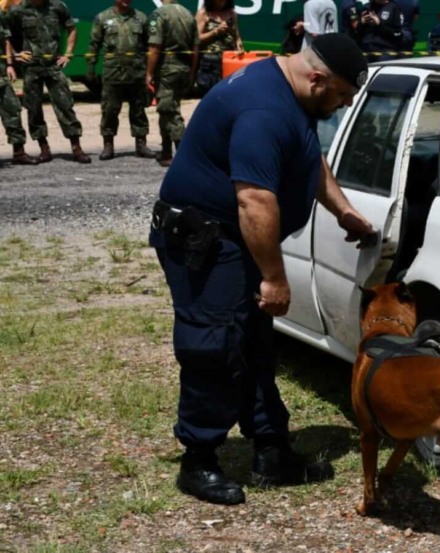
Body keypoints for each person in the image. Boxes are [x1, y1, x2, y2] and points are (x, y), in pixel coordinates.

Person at [149, 33, 375, 506]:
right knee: (213, 345)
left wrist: (343, 211)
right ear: (317, 78)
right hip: (208, 241)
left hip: (234, 239)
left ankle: (271, 450)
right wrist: (274, 276)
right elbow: (254, 199)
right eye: (340, 96)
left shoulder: (289, 87)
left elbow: (309, 158)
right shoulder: (264, 111)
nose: (340, 106)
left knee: (254, 342)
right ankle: (200, 459)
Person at [6, 0, 90, 163]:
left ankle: (76, 148)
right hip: (32, 67)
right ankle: (44, 149)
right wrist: (16, 54)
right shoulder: (18, 11)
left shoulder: (57, 7)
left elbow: (71, 28)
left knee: (65, 106)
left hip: (53, 66)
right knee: (34, 109)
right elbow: (6, 35)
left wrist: (69, 53)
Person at [88, 0, 155, 161]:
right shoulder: (103, 18)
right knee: (110, 110)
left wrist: (150, 72)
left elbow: (150, 46)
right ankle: (108, 145)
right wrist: (90, 68)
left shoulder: (141, 18)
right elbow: (94, 45)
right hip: (113, 73)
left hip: (136, 73)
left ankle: (141, 144)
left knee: (138, 110)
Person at [146, 0, 198, 167]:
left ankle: (183, 154)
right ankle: (166, 151)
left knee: (170, 112)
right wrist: (191, 72)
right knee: (166, 108)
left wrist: (148, 73)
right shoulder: (188, 14)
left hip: (167, 68)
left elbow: (155, 47)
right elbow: (196, 48)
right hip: (183, 67)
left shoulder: (160, 14)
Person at [0, 11, 38, 165]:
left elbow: (6, 40)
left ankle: (19, 152)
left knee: (13, 111)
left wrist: (10, 64)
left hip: (1, 75)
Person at [195, 0, 242, 95]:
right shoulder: (204, 13)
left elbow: (237, 37)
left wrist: (240, 49)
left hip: (229, 58)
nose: (221, 3)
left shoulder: (231, 13)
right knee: (208, 90)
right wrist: (215, 31)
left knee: (228, 91)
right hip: (210, 59)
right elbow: (197, 38)